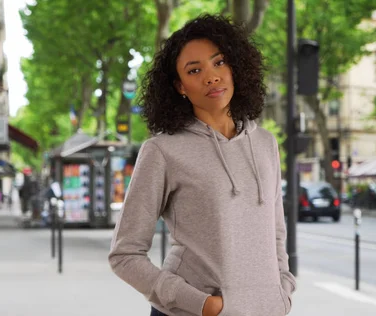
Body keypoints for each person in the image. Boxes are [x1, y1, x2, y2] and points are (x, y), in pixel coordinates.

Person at [108, 14, 296, 316]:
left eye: (219, 62)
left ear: (236, 67)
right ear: (180, 86)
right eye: (194, 70)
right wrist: (203, 304)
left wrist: (282, 292)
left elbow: (275, 232)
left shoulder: (265, 144)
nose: (211, 76)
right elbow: (125, 254)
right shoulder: (162, 151)